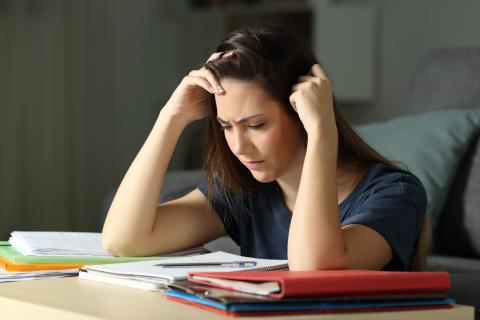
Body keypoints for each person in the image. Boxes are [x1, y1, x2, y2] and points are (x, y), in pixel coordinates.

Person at [102, 26, 431, 271]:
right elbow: (125, 239)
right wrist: (170, 119)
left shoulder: (396, 193)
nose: (238, 146)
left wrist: (322, 133)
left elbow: (313, 269)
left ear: (302, 112)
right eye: (226, 126)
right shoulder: (246, 192)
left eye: (256, 125)